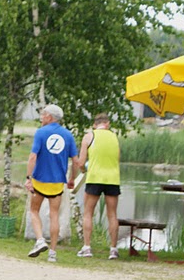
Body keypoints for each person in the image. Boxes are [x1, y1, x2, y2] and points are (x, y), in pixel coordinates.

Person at [24, 104, 79, 262]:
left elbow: (33, 157)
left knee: (34, 210)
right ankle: (53, 253)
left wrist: (28, 178)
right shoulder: (68, 135)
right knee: (54, 215)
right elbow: (75, 161)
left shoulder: (41, 133)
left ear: (49, 117)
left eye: (43, 114)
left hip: (40, 180)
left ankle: (40, 240)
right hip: (57, 182)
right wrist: (72, 179)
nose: (41, 117)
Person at [77, 113, 121, 259]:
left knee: (88, 212)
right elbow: (117, 158)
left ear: (95, 125)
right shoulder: (114, 137)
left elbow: (81, 162)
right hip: (112, 179)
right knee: (112, 214)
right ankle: (113, 249)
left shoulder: (89, 136)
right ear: (107, 124)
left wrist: (84, 170)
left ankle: (87, 247)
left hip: (95, 177)